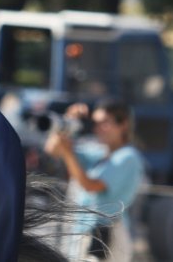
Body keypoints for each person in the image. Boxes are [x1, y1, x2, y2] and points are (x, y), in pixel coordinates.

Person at [44, 99, 145, 261]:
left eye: (105, 122)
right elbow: (52, 150)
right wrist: (66, 122)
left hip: (107, 236)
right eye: (96, 123)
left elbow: (90, 185)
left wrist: (68, 153)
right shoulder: (100, 153)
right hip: (87, 232)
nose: (98, 129)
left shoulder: (128, 157)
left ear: (123, 124)